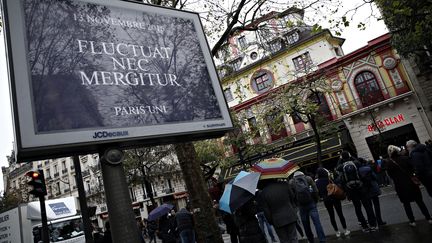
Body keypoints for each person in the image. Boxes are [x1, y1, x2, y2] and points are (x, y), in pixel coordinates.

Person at [386, 145, 432, 226]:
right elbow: (413, 168)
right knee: (420, 201)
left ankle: (412, 221)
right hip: (411, 183)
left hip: (400, 186)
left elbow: (391, 176)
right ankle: (428, 218)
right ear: (398, 151)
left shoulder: (389, 163)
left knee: (406, 204)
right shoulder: (405, 158)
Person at [337, 153, 377, 232]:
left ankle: (364, 226)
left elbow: (337, 167)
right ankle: (373, 225)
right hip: (360, 187)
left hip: (351, 189)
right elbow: (358, 161)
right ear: (349, 156)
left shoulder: (342, 166)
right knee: (367, 206)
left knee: (357, 208)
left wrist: (340, 159)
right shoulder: (355, 163)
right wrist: (351, 156)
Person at [258, 179, 298, 243]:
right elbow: (292, 197)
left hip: (277, 220)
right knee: (293, 238)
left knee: (284, 240)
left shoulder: (264, 192)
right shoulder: (284, 184)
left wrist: (271, 221)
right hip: (290, 215)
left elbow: (266, 211)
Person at [290, 171, 326, 243]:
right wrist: (315, 200)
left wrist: (296, 203)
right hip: (311, 203)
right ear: (302, 174)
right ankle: (322, 240)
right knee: (317, 223)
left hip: (301, 206)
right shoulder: (308, 178)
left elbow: (291, 195)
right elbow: (315, 190)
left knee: (306, 225)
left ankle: (310, 240)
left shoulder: (291, 182)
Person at [315, 168, 350, 237]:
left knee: (331, 216)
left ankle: (337, 232)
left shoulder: (317, 182)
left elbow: (319, 192)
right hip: (335, 198)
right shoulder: (329, 179)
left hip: (326, 200)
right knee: (340, 214)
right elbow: (336, 185)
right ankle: (345, 230)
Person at [358, 159, 386, 226]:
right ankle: (379, 221)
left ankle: (373, 222)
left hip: (365, 190)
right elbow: (375, 177)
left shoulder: (358, 171)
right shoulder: (368, 168)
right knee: (376, 206)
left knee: (369, 207)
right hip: (373, 188)